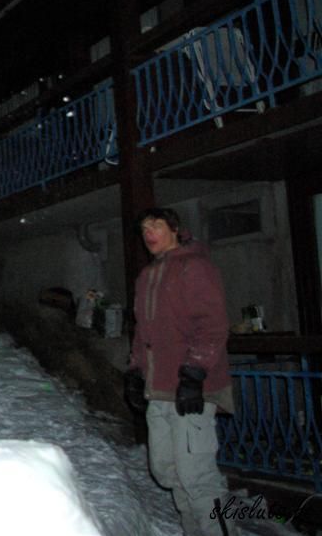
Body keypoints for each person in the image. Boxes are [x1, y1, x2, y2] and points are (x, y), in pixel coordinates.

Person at [124, 207, 234, 536]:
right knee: (167, 472)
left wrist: (194, 373)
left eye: (156, 225)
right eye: (144, 228)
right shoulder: (147, 276)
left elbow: (212, 326)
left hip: (191, 392)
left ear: (175, 229)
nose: (149, 233)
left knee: (197, 478)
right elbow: (143, 332)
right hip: (158, 391)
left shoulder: (194, 266)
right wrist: (134, 372)